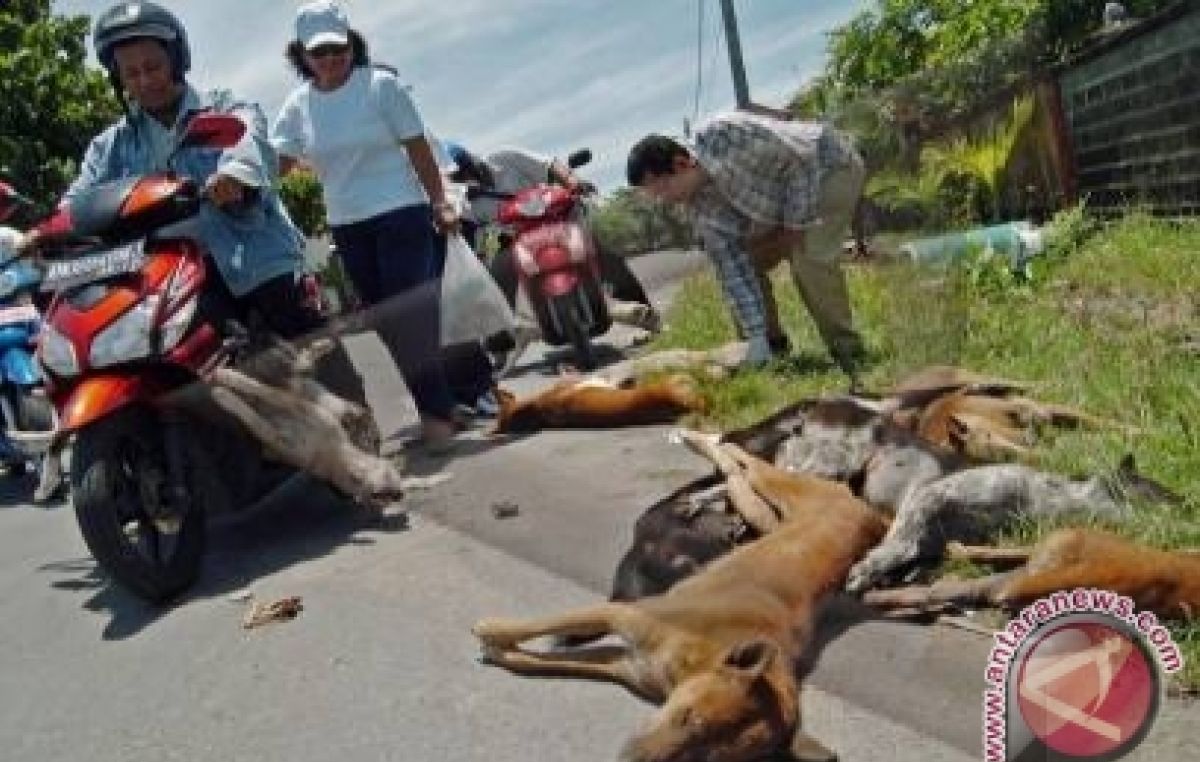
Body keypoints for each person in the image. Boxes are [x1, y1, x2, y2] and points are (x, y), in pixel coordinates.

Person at [62, 1, 367, 408]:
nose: (144, 80)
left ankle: (355, 422)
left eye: (152, 67)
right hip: (168, 276)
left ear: (176, 60)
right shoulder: (109, 146)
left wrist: (234, 177)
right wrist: (47, 230)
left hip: (252, 259)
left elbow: (246, 143)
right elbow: (77, 201)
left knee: (303, 342)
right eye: (131, 73)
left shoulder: (226, 107)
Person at [272, 0, 472, 449]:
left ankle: (438, 416)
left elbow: (419, 148)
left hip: (402, 211)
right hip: (349, 225)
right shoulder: (298, 106)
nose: (330, 59)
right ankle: (445, 401)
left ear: (352, 43)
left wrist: (439, 202)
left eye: (337, 48)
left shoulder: (380, 87)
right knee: (386, 321)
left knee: (408, 312)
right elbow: (278, 164)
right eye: (318, 52)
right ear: (302, 56)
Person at [626, 110, 868, 378]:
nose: (664, 201)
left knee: (807, 258)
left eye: (663, 190)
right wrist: (756, 338)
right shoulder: (699, 208)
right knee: (748, 263)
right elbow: (734, 271)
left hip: (827, 170)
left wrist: (794, 226)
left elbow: (801, 160)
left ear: (682, 163)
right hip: (782, 202)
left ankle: (849, 352)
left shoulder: (726, 135)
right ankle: (771, 352)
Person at [446, 143, 661, 359]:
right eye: (456, 177)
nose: (463, 178)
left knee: (604, 254)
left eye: (464, 171)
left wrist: (572, 181)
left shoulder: (506, 158)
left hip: (559, 221)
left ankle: (652, 323)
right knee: (496, 280)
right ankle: (499, 348)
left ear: (472, 162)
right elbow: (467, 231)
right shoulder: (462, 201)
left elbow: (550, 166)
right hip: (515, 239)